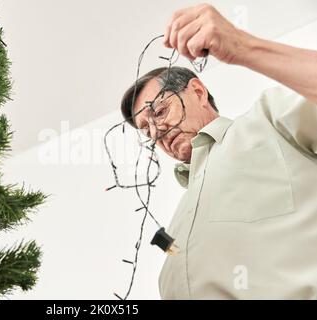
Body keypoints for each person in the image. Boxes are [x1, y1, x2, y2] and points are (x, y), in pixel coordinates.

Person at [120, 3, 317, 299]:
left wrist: (242, 46)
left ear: (198, 92)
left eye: (159, 112)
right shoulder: (180, 219)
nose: (156, 133)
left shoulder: (268, 121)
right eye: (146, 130)